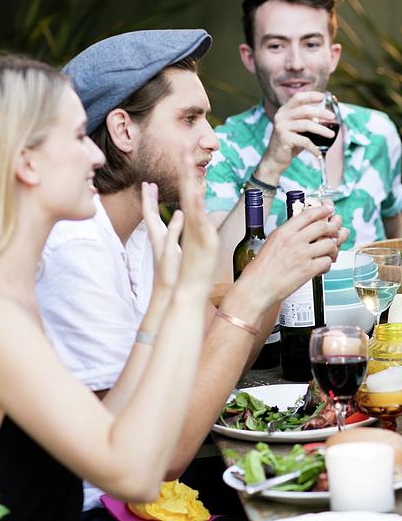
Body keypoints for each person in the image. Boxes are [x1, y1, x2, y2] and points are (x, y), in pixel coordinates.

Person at [35, 29, 347, 515]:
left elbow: (212, 358)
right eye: (189, 119)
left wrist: (281, 274)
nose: (212, 139)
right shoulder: (74, 250)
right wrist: (256, 286)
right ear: (122, 131)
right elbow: (162, 455)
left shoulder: (140, 229)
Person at [0, 54, 217, 519]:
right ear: (27, 162)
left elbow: (104, 430)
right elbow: (137, 473)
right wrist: (189, 295)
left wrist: (162, 302)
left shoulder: (9, 291)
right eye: (78, 136)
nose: (98, 155)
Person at [205, 0, 402, 259]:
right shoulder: (221, 149)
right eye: (276, 45)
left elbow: (399, 239)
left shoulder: (378, 132)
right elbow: (215, 274)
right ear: (250, 58)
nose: (296, 63)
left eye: (311, 44)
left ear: (333, 55)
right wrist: (270, 166)